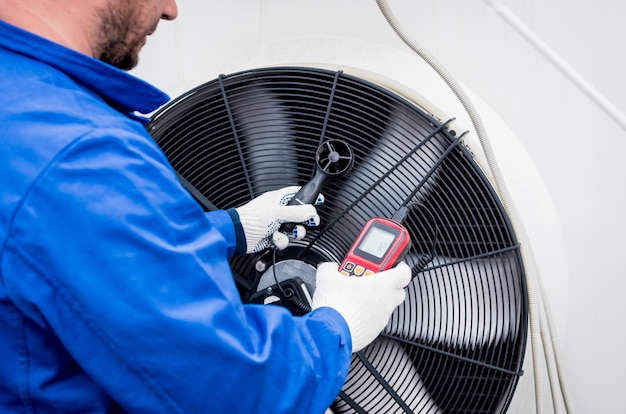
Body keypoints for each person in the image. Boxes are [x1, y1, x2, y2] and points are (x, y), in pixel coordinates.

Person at [0, 1, 412, 413]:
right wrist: (339, 323)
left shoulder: (21, 109)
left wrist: (234, 227)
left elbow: (68, 250)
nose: (170, 10)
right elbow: (236, 391)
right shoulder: (80, 153)